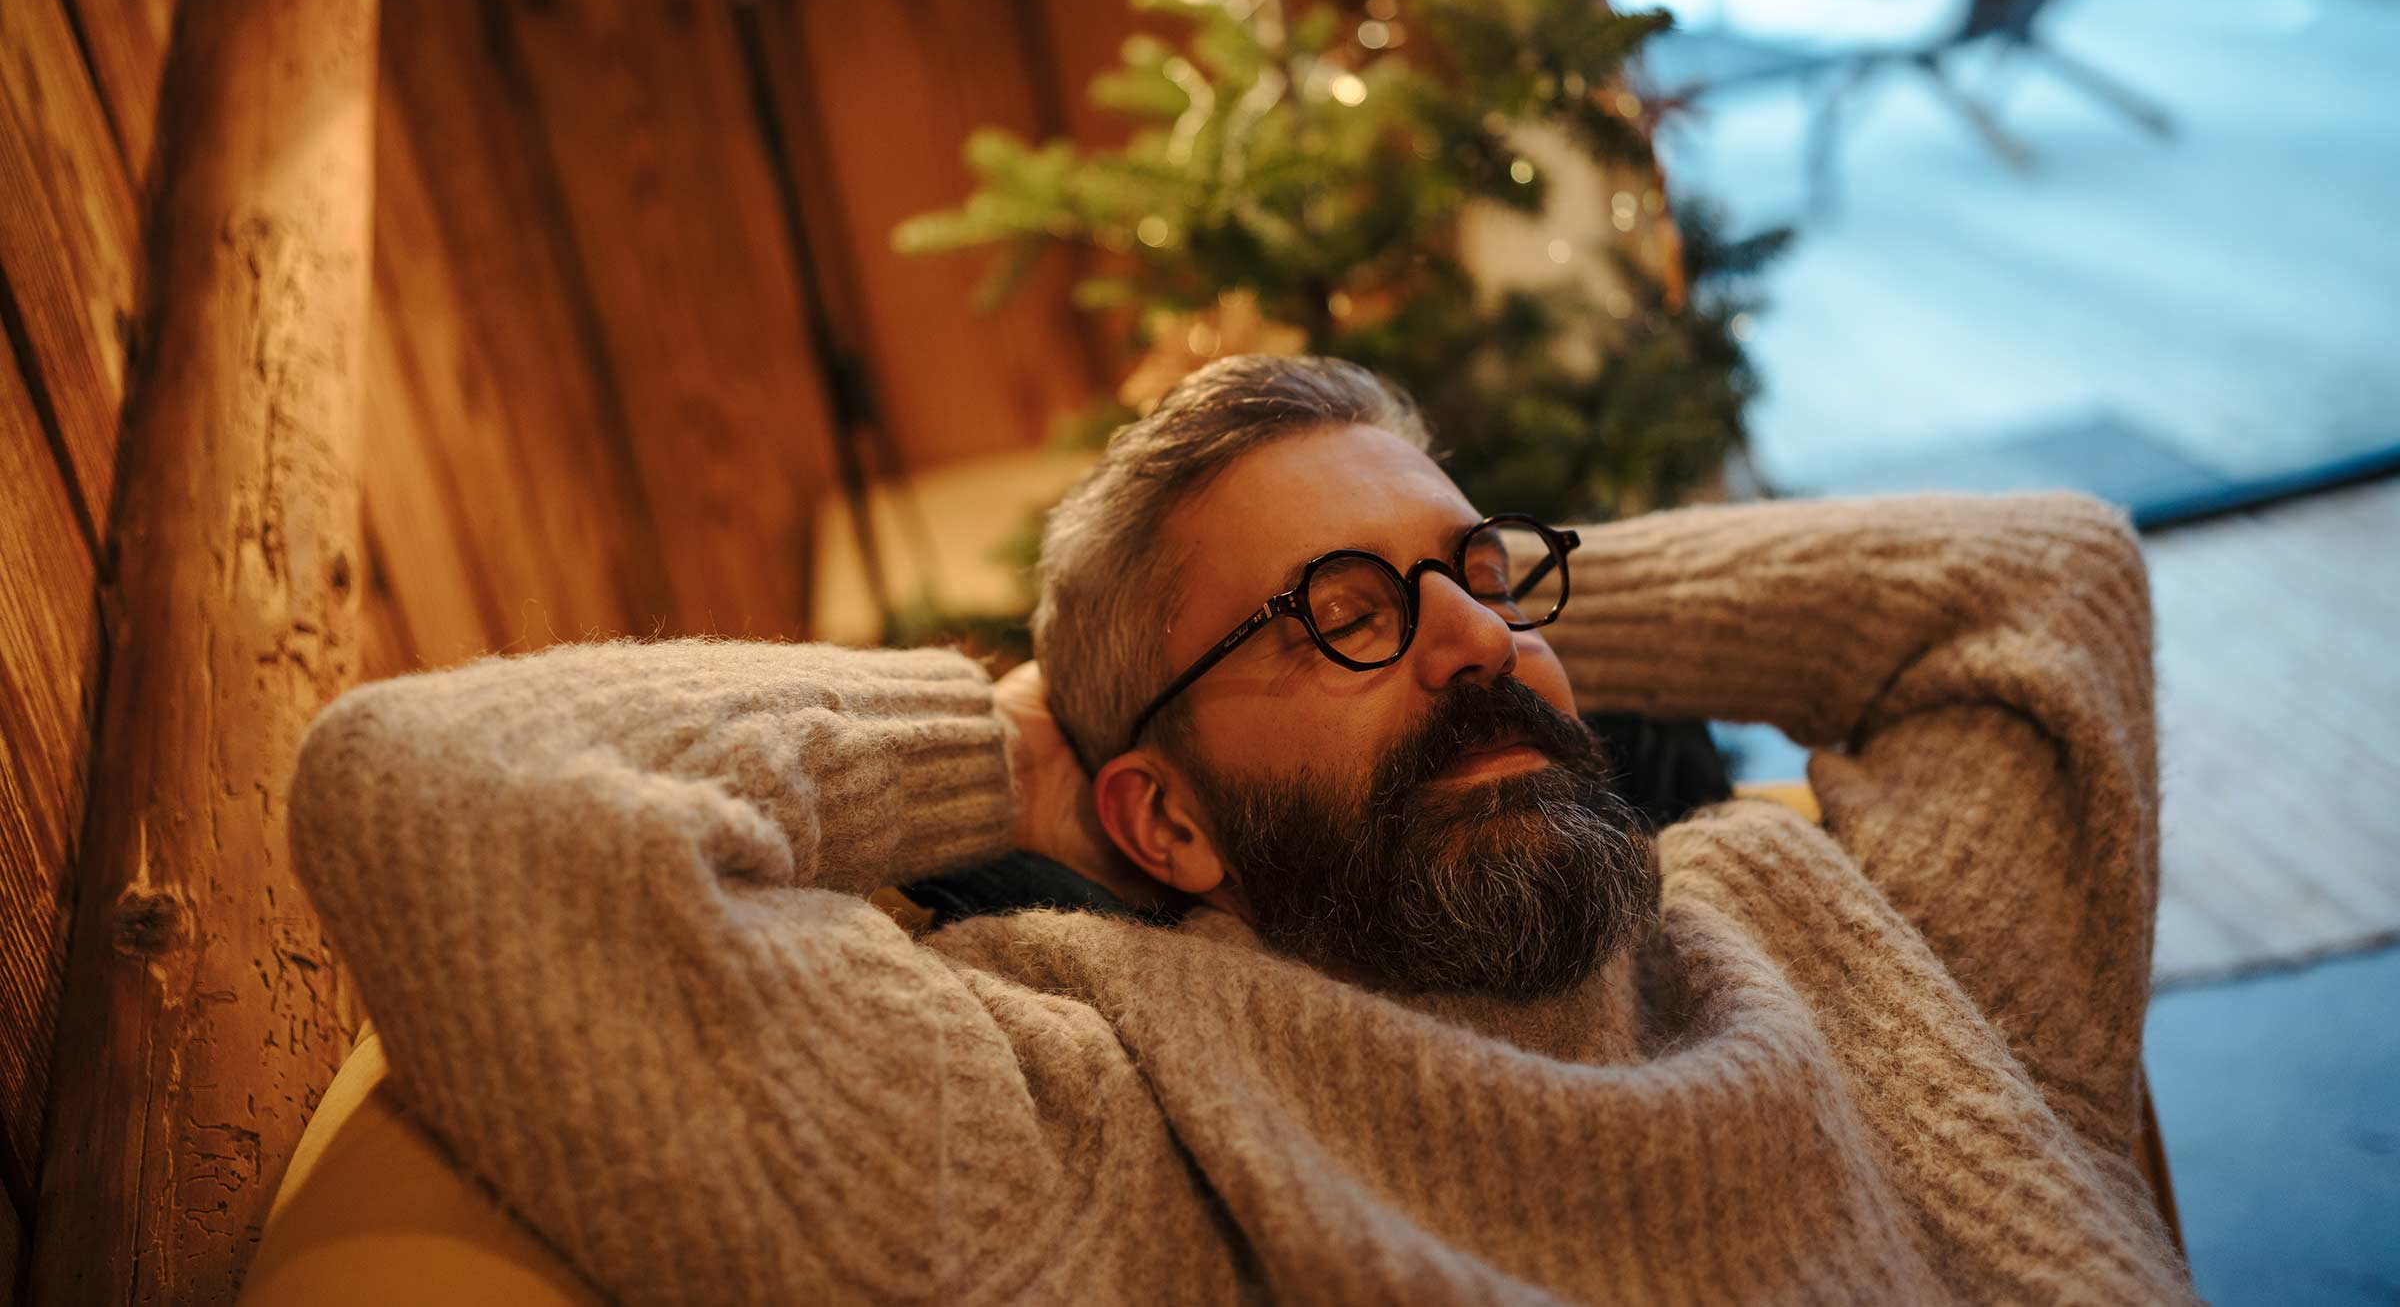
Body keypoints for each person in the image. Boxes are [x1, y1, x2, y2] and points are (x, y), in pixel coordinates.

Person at [289, 355, 2198, 1304]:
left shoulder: (1829, 922)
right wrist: (1013, 741)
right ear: (1164, 819)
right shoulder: (1108, 1127)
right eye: (1336, 613)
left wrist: (1482, 617)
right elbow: (454, 797)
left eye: (1477, 577)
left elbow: (2039, 574)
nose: (1464, 630)